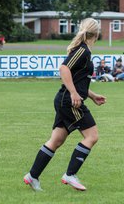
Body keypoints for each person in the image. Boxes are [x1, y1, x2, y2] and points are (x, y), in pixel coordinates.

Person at [23, 18, 106, 192]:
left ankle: (32, 176)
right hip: (69, 101)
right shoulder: (82, 50)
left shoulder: (85, 51)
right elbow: (64, 69)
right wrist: (75, 94)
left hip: (67, 99)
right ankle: (70, 175)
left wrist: (91, 95)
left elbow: (78, 79)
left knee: (57, 140)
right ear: (96, 33)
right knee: (92, 136)